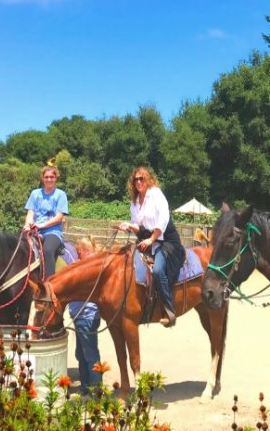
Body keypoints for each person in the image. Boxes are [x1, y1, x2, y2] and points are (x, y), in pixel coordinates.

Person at [118, 167, 185, 327]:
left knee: (158, 270)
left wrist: (151, 239)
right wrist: (128, 225)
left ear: (147, 180)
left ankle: (169, 310)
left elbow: (163, 219)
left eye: (142, 178)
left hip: (166, 240)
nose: (139, 182)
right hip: (148, 239)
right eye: (136, 179)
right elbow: (139, 227)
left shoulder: (155, 194)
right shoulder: (134, 202)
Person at [68, 236, 102, 395]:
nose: (76, 254)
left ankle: (95, 388)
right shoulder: (90, 263)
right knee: (82, 353)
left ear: (82, 250)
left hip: (86, 315)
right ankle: (86, 386)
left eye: (77, 251)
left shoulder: (88, 264)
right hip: (83, 316)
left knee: (89, 354)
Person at [24, 161, 69, 279]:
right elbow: (30, 213)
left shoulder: (60, 195)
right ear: (42, 178)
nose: (49, 179)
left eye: (52, 177)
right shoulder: (35, 194)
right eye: (46, 177)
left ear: (56, 178)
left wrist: (41, 226)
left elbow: (59, 217)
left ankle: (49, 283)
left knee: (47, 250)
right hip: (35, 230)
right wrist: (28, 225)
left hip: (52, 232)